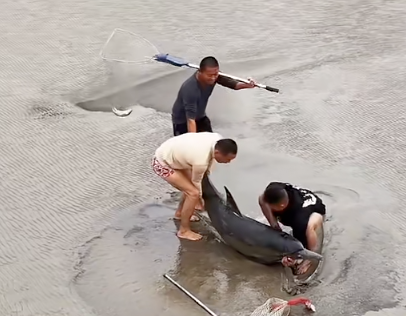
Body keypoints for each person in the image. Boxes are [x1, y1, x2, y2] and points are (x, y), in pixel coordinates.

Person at [152, 132, 238, 241]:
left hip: (176, 156)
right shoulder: (200, 160)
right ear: (217, 152)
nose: (228, 162)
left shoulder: (217, 139)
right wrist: (200, 200)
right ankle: (184, 231)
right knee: (193, 193)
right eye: (228, 159)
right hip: (162, 163)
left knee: (189, 188)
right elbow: (197, 183)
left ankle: (179, 213)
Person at [171, 56, 256, 136]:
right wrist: (193, 142)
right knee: (188, 148)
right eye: (209, 75)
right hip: (182, 121)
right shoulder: (190, 88)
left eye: (215, 74)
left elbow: (233, 84)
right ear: (200, 72)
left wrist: (248, 85)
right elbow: (190, 120)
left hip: (200, 116)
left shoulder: (215, 75)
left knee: (211, 144)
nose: (213, 78)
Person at [258, 182, 326, 275]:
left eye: (270, 206)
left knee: (309, 228)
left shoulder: (299, 220)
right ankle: (275, 225)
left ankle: (310, 260)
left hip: (315, 211)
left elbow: (299, 250)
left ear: (281, 206)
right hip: (299, 199)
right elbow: (262, 199)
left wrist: (296, 258)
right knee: (263, 199)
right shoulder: (275, 188)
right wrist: (274, 224)